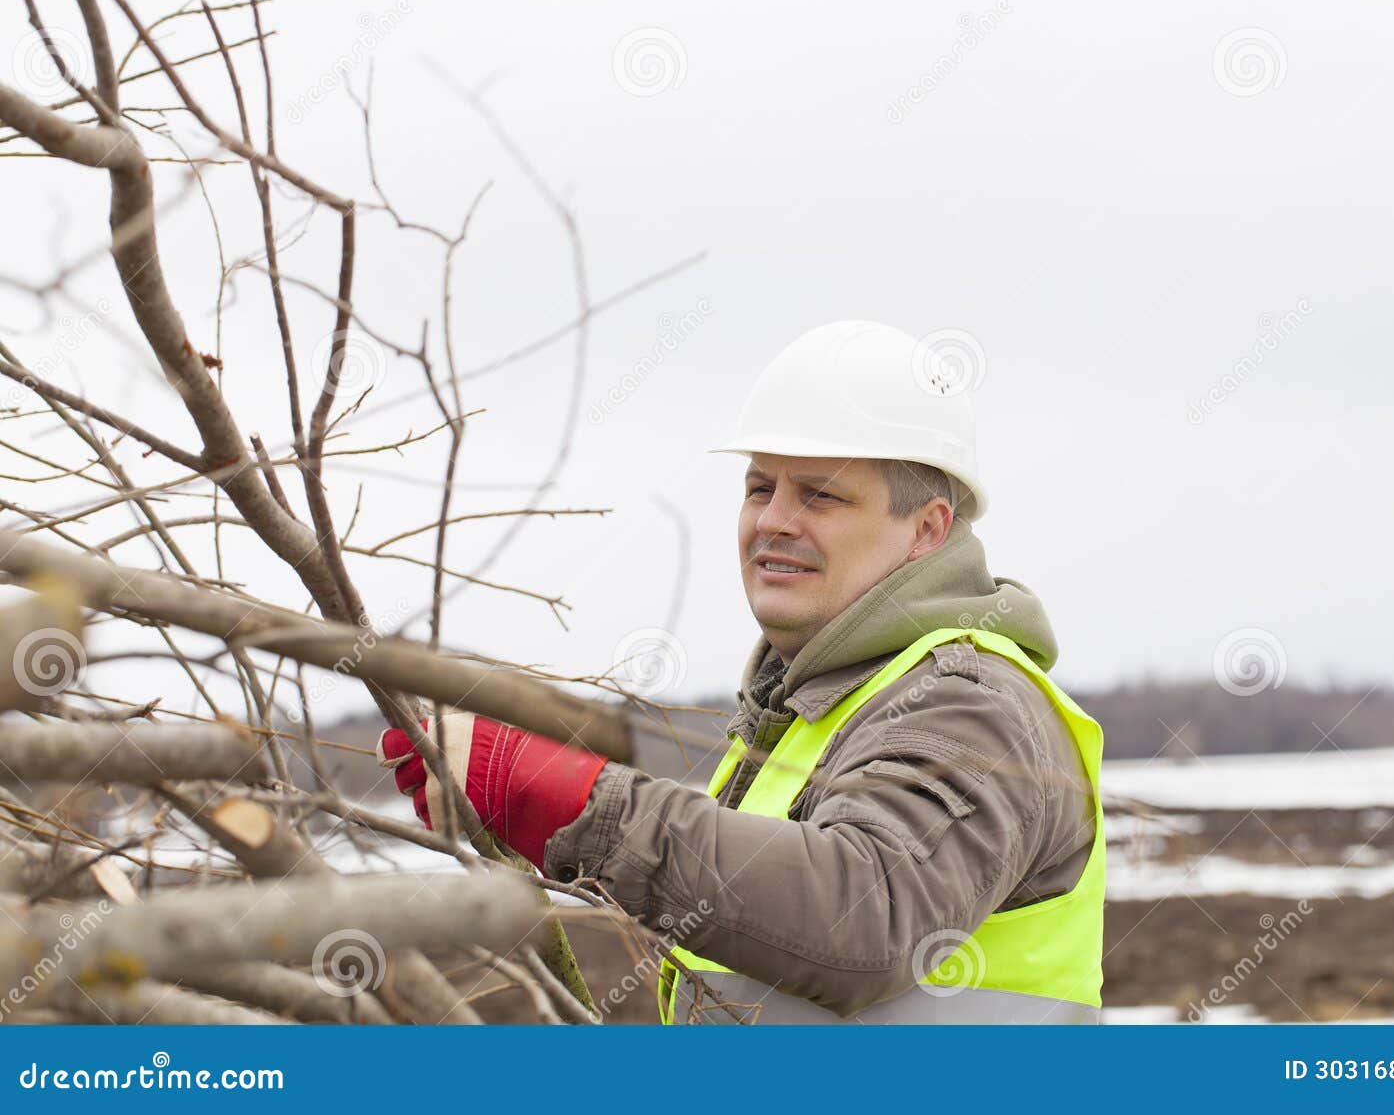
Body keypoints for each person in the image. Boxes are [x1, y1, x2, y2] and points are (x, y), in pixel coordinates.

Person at [381, 320, 1105, 1024]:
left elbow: (861, 918)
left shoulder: (968, 701)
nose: (774, 520)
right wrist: (520, 812)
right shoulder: (811, 713)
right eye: (760, 488)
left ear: (926, 529)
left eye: (819, 494)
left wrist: (570, 801)